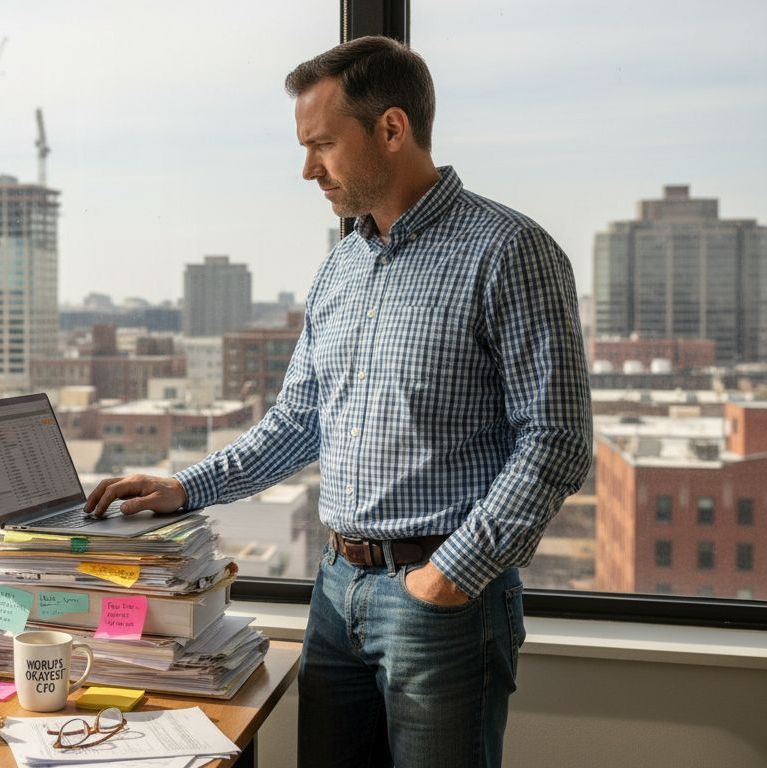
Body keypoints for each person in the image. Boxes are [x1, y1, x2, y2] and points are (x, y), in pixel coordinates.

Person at [85, 36, 592, 767]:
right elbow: (298, 422)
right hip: (335, 593)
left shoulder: (509, 250)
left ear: (391, 129)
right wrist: (184, 487)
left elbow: (556, 439)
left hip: (441, 600)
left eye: (322, 144)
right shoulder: (341, 267)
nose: (307, 169)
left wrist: (449, 575)